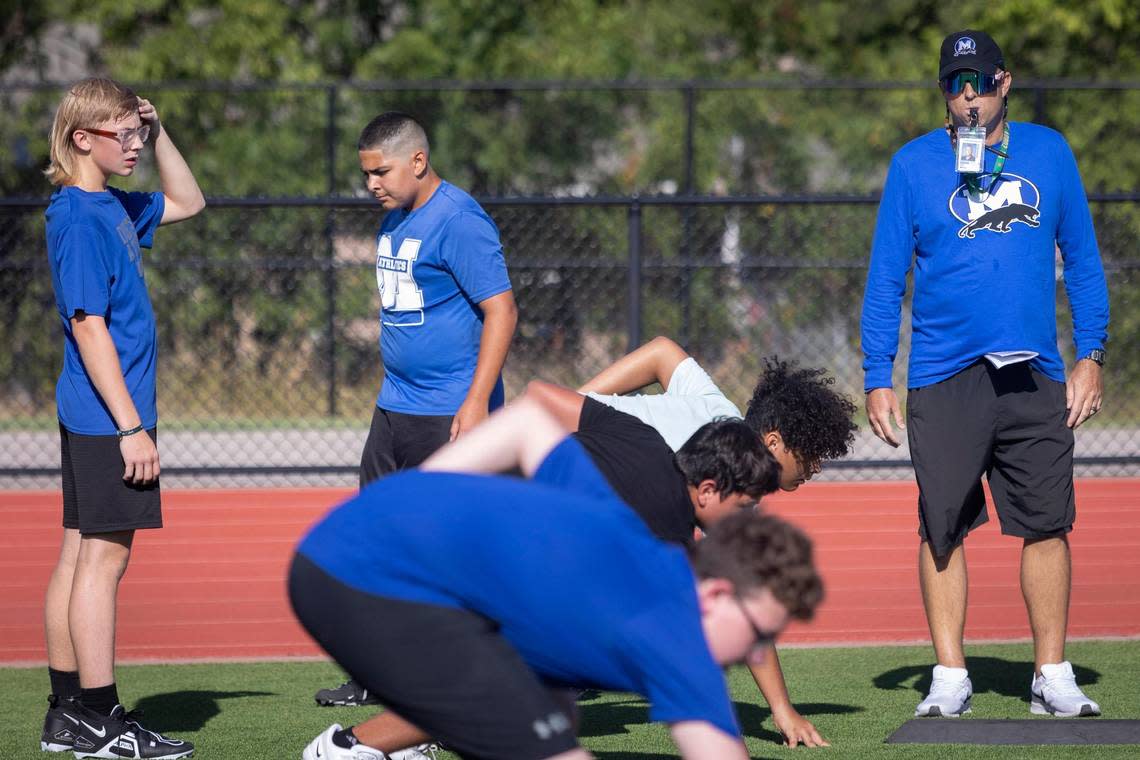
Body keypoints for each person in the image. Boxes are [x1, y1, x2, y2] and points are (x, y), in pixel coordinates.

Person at [293, 398, 823, 760]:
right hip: (367, 576)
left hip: (364, 545)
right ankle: (344, 749)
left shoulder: (644, 446)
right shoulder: (655, 549)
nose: (755, 650)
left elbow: (529, 416)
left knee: (556, 695)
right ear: (708, 489)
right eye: (757, 635)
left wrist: (415, 493)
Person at [861, 30, 1109, 719]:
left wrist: (1092, 354)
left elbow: (1083, 260)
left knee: (1047, 524)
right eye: (954, 84)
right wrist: (877, 373)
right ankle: (949, 676)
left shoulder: (1050, 152)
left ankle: (1051, 674)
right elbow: (886, 279)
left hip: (1033, 372)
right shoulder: (913, 166)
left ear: (1005, 82)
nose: (967, 96)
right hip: (944, 375)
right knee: (942, 526)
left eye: (978, 82)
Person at [316, 111, 518, 709]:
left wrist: (477, 401)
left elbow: (501, 311)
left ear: (418, 162)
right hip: (394, 407)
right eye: (366, 174)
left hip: (450, 414)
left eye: (381, 172)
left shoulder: (458, 219)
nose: (372, 184)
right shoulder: (395, 219)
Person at [577, 335, 857, 746]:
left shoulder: (719, 410)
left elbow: (661, 351)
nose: (815, 467)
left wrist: (581, 405)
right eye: (810, 454)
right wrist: (583, 411)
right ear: (774, 442)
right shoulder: (731, 489)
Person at [40, 78, 205, 758]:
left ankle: (67, 714)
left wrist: (160, 130)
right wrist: (131, 426)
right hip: (112, 415)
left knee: (81, 552)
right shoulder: (79, 218)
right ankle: (102, 720)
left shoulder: (111, 205)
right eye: (124, 134)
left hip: (102, 411)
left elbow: (192, 202)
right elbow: (90, 329)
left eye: (138, 132)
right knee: (104, 563)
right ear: (83, 139)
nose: (135, 143)